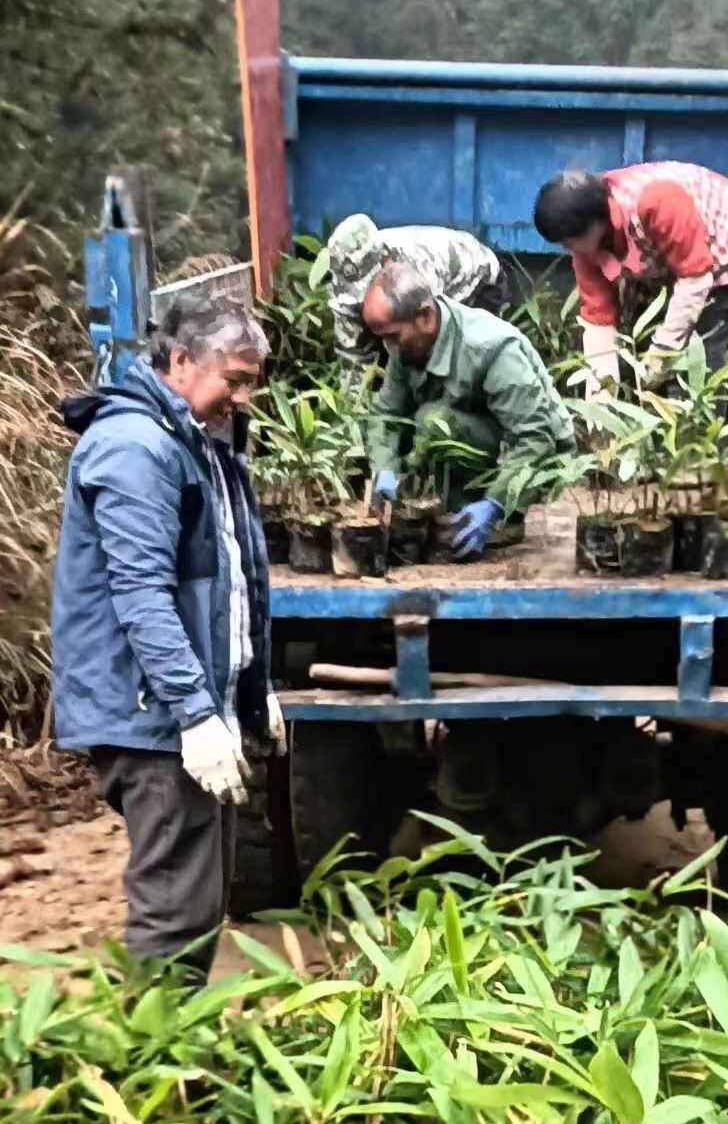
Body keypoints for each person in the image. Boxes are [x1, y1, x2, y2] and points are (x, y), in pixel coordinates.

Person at [52, 298, 283, 976]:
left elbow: (230, 581)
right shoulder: (135, 447)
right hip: (151, 715)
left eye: (251, 385)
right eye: (233, 380)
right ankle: (154, 1064)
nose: (241, 399)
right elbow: (142, 594)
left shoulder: (193, 442)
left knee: (203, 897)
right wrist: (194, 712)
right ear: (180, 361)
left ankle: (177, 1059)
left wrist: (251, 685)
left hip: (185, 707)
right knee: (176, 906)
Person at [363, 263, 576, 557]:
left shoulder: (491, 347)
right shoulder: (407, 344)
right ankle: (449, 510)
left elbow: (536, 438)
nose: (389, 347)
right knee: (424, 424)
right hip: (477, 434)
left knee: (434, 423)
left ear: (424, 316)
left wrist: (496, 504)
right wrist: (384, 469)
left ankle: (500, 517)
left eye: (393, 336)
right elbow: (385, 415)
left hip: (531, 451)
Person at [533, 163, 728, 390]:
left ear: (594, 225)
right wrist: (600, 399)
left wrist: (661, 356)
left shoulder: (656, 201)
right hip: (674, 249)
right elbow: (598, 320)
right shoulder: (584, 242)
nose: (567, 249)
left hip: (727, 238)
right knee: (651, 342)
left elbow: (695, 279)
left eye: (568, 241)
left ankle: (698, 426)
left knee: (703, 353)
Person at [325, 213, 503, 376]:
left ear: (385, 259)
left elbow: (433, 335)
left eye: (369, 284)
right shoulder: (343, 283)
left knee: (467, 362)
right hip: (411, 292)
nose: (363, 296)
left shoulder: (419, 268)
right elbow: (351, 353)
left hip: (477, 281)